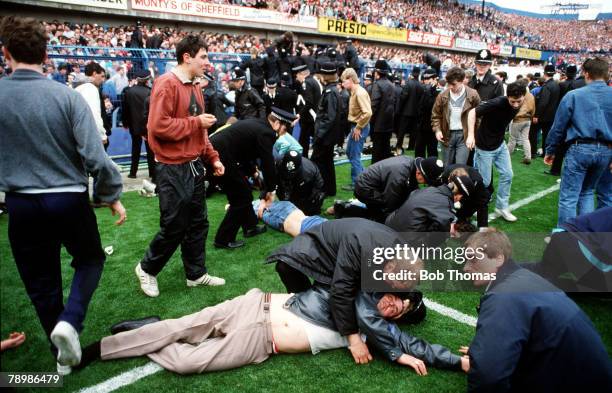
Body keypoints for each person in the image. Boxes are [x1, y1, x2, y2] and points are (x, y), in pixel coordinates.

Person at [0, 16, 126, 375]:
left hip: (21, 202)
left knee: (41, 282)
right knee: (90, 260)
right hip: (68, 199)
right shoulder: (66, 96)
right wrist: (110, 194)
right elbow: (95, 156)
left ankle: (61, 351)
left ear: (6, 52)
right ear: (45, 54)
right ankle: (70, 324)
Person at [75, 285, 465, 376]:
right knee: (184, 327)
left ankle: (150, 333)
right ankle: (95, 350)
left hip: (262, 338)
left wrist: (459, 360)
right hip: (253, 303)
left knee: (187, 361)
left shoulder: (382, 331)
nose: (394, 304)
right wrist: (397, 352)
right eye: (398, 297)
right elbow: (369, 317)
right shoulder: (360, 292)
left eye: (402, 308)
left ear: (398, 319)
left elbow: (419, 345)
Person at [462, 230, 612, 393]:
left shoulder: (503, 295)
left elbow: (488, 378)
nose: (466, 268)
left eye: (474, 259)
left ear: (499, 258)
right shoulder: (524, 277)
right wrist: (484, 350)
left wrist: (486, 358)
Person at [135, 35, 226, 299]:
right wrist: (196, 123)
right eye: (203, 57)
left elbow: (201, 129)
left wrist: (213, 157)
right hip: (172, 168)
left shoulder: (195, 86)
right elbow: (157, 127)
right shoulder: (166, 84)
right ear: (187, 57)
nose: (207, 62)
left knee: (199, 222)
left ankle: (195, 274)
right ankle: (146, 268)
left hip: (194, 165)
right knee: (174, 225)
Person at [266, 218, 421, 365]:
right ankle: (305, 307)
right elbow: (341, 291)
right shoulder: (360, 246)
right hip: (316, 246)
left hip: (350, 245)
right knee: (286, 267)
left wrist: (408, 302)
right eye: (393, 283)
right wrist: (354, 340)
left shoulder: (405, 259)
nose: (392, 287)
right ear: (390, 266)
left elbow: (411, 289)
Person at [210, 107, 295, 248]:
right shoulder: (267, 133)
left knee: (244, 192)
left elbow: (245, 152)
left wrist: (252, 172)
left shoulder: (259, 124)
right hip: (220, 157)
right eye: (284, 130)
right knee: (241, 197)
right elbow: (268, 164)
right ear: (277, 124)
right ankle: (223, 240)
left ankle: (250, 226)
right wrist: (271, 189)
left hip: (222, 154)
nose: (282, 134)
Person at [544, 57, 612, 226]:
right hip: (604, 151)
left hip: (580, 147)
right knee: (587, 192)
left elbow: (558, 126)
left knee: (569, 196)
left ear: (586, 74)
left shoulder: (574, 95)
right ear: (606, 74)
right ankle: (584, 237)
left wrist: (551, 149)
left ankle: (566, 238)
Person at [466, 82, 527, 222]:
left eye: (519, 101)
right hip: (484, 147)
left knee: (508, 175)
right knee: (485, 182)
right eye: (513, 101)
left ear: (524, 96)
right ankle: (476, 206)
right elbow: (472, 112)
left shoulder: (523, 99)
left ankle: (502, 207)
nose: (516, 104)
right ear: (507, 97)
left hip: (500, 145)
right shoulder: (497, 102)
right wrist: (470, 135)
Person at [333, 156, 445, 222]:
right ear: (419, 173)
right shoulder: (400, 175)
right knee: (379, 219)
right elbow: (390, 204)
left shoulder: (412, 167)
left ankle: (344, 207)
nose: (425, 184)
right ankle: (343, 209)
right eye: (426, 181)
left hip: (378, 185)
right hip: (365, 188)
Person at [386, 174, 473, 247]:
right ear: (460, 196)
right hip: (407, 240)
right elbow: (443, 227)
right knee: (443, 233)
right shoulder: (446, 203)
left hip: (390, 225)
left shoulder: (430, 189)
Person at [432, 67, 480, 166]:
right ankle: (446, 182)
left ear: (462, 81)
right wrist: (437, 130)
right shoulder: (442, 95)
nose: (450, 86)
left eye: (453, 84)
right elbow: (435, 115)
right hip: (446, 135)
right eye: (448, 83)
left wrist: (473, 134)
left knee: (460, 167)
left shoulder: (473, 94)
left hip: (464, 135)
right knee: (446, 167)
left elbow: (479, 116)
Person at [311, 62, 342, 196]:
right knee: (327, 163)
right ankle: (329, 189)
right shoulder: (333, 90)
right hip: (329, 136)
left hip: (325, 136)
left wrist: (319, 135)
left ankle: (321, 189)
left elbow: (329, 117)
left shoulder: (330, 92)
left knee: (318, 162)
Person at [340, 68, 372, 191]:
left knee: (354, 156)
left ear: (351, 79)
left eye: (344, 81)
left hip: (359, 127)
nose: (342, 84)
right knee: (350, 153)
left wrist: (358, 127)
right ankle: (364, 177)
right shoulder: (355, 91)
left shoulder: (359, 93)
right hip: (357, 126)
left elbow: (368, 113)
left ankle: (357, 183)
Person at [122, 69, 155, 180]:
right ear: (147, 80)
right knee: (150, 150)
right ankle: (152, 172)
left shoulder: (128, 92)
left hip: (134, 125)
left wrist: (125, 123)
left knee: (135, 149)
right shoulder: (150, 92)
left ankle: (133, 172)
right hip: (147, 125)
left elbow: (125, 110)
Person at [440, 164, 490, 230]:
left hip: (472, 195)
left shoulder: (476, 181)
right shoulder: (445, 176)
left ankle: (462, 218)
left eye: (461, 194)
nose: (458, 198)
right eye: (456, 194)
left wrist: (483, 228)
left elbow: (482, 202)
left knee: (467, 208)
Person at [276, 150, 325, 215]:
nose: (289, 175)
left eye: (291, 173)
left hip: (309, 184)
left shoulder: (307, 173)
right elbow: (272, 180)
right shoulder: (278, 161)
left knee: (307, 207)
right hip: (293, 179)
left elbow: (319, 185)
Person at [535, 64, 561, 173]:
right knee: (547, 134)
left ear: (544, 73)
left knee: (538, 133)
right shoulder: (556, 85)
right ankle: (546, 151)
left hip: (544, 115)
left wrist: (537, 115)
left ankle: (539, 152)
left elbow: (543, 103)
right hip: (552, 114)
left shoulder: (547, 86)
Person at [370, 59, 397, 163]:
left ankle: (375, 175)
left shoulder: (377, 85)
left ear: (377, 72)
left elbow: (374, 106)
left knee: (376, 153)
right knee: (385, 152)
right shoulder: (391, 85)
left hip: (378, 126)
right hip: (388, 124)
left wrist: (370, 121)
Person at [294, 58, 321, 157]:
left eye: (297, 75)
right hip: (311, 116)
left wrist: (299, 114)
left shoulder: (307, 83)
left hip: (309, 117)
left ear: (302, 74)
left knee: (303, 141)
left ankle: (305, 161)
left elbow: (308, 102)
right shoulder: (313, 81)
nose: (296, 77)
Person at [396, 66, 424, 154]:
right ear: (418, 74)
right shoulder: (420, 85)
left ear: (412, 73)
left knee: (402, 130)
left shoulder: (408, 84)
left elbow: (403, 98)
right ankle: (411, 146)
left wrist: (399, 109)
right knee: (413, 131)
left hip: (406, 112)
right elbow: (421, 100)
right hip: (415, 113)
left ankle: (399, 145)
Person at [507, 79, 535, 165]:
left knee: (512, 139)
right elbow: (533, 109)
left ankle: (506, 156)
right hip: (528, 119)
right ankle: (528, 157)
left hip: (518, 119)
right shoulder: (531, 95)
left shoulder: (518, 96)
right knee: (525, 139)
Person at [416, 67, 442, 159]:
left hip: (432, 126)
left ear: (435, 79)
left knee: (432, 151)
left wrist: (429, 91)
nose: (426, 81)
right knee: (419, 150)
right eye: (425, 78)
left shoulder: (438, 91)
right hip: (422, 125)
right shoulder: (423, 90)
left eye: (428, 79)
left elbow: (431, 106)